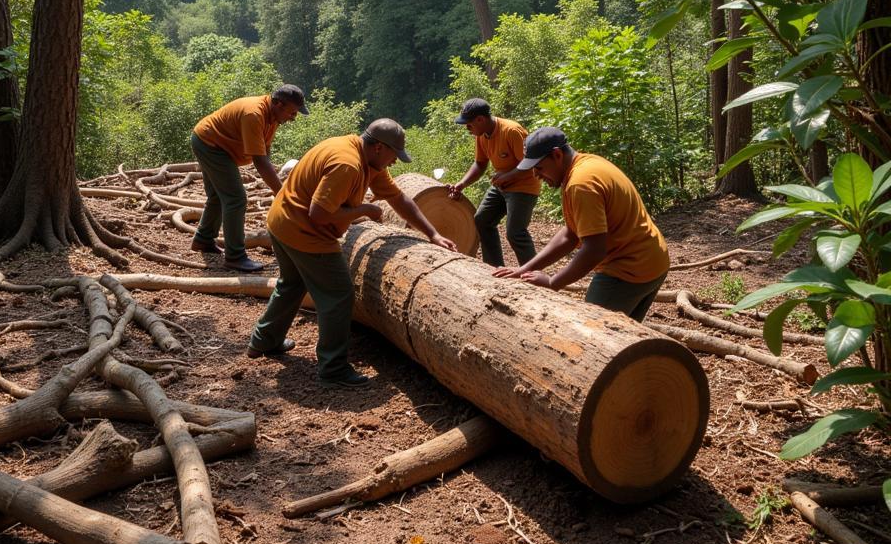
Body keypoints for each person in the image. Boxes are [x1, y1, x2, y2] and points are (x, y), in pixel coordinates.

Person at [247, 119, 457, 387]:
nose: (395, 162)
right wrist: (364, 211)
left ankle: (263, 341)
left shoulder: (364, 156)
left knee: (292, 283)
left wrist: (433, 234)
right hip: (304, 231)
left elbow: (398, 198)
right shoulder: (347, 164)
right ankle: (333, 368)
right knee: (338, 295)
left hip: (281, 222)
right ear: (379, 147)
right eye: (395, 155)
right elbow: (319, 214)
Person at [492, 127, 669, 322]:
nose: (536, 175)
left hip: (628, 269)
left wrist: (552, 282)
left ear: (557, 155)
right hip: (654, 260)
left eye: (539, 167)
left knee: (592, 334)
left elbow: (594, 250)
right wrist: (525, 269)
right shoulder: (588, 163)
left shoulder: (581, 184)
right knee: (624, 340)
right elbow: (571, 233)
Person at [190, 85, 308, 272]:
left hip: (218, 145)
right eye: (292, 113)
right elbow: (259, 161)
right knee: (236, 199)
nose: (293, 118)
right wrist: (283, 194)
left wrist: (277, 181)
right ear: (278, 103)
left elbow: (264, 150)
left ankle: (203, 239)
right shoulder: (254, 114)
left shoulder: (273, 115)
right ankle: (235, 257)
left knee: (217, 196)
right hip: (210, 144)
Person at [447, 98, 541, 268]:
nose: (468, 130)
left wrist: (508, 176)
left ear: (480, 120)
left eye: (469, 125)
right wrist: (462, 184)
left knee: (515, 232)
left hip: (524, 187)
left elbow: (530, 164)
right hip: (501, 185)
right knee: (482, 220)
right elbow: (480, 163)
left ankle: (534, 273)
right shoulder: (481, 135)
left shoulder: (511, 131)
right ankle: (494, 268)